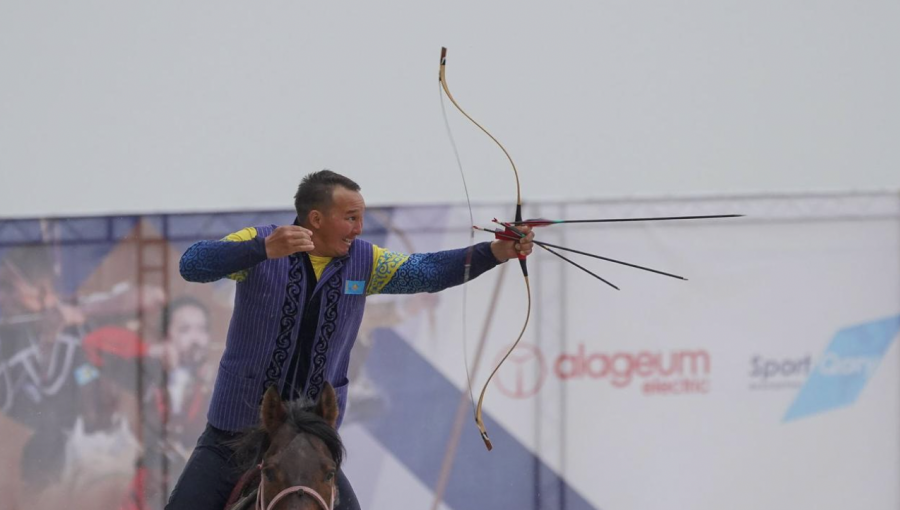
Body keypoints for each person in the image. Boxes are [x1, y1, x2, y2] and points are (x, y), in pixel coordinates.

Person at [166, 170, 534, 510]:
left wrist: (495, 251)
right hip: (234, 434)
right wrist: (260, 249)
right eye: (351, 218)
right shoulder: (260, 242)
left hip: (312, 442)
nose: (359, 228)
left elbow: (428, 272)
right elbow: (192, 264)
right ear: (316, 218)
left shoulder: (365, 262)